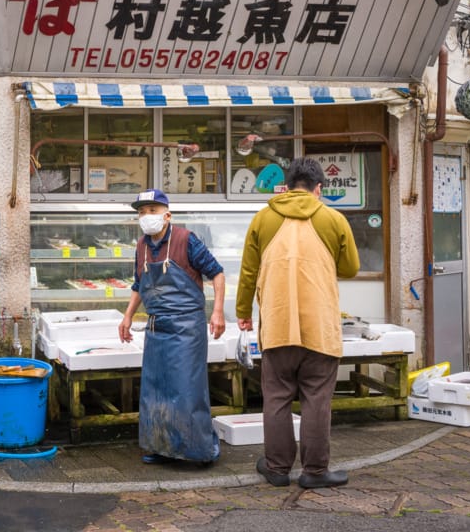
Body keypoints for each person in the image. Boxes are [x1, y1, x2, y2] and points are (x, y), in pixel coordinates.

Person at [236, 157, 361, 490]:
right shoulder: (333, 219)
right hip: (319, 327)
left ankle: (277, 468)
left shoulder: (263, 219)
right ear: (318, 188)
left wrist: (243, 312)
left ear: (286, 187)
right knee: (317, 399)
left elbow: (248, 272)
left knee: (276, 397)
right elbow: (350, 268)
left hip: (277, 325)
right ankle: (315, 472)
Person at [118, 189, 226, 466]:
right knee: (156, 390)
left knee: (186, 390)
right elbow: (138, 284)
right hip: (156, 328)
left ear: (167, 214)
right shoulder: (141, 245)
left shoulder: (186, 240)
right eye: (142, 212)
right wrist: (128, 315)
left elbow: (217, 273)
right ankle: (160, 446)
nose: (146, 216)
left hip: (187, 328)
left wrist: (217, 312)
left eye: (152, 210)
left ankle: (198, 451)